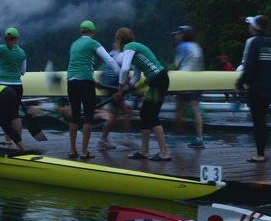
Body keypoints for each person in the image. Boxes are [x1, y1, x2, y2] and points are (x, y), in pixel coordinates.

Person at [114, 27, 171, 161]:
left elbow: (124, 70)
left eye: (117, 39)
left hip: (158, 79)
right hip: (158, 80)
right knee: (145, 113)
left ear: (119, 39)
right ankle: (144, 150)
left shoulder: (130, 46)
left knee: (151, 114)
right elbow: (137, 77)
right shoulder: (134, 49)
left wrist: (120, 90)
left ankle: (164, 152)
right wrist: (127, 90)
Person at [65, 20, 116, 160]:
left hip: (71, 81)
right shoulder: (93, 43)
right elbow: (109, 60)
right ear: (93, 32)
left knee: (75, 115)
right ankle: (84, 152)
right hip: (85, 82)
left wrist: (94, 82)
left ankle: (72, 150)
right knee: (88, 115)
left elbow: (78, 65)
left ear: (81, 31)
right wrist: (121, 75)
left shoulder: (74, 44)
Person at [236, 14, 271, 163]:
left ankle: (260, 154)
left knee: (258, 121)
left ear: (255, 27)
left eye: (250, 25)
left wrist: (240, 83)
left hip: (256, 87)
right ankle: (262, 151)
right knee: (263, 119)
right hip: (270, 86)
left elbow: (249, 65)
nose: (249, 27)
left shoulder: (253, 42)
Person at [171, 25, 205, 148]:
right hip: (198, 80)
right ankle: (199, 138)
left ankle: (175, 136)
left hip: (185, 80)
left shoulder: (182, 46)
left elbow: (178, 64)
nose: (176, 36)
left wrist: (176, 88)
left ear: (183, 34)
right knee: (195, 110)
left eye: (178, 34)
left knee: (179, 109)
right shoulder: (197, 46)